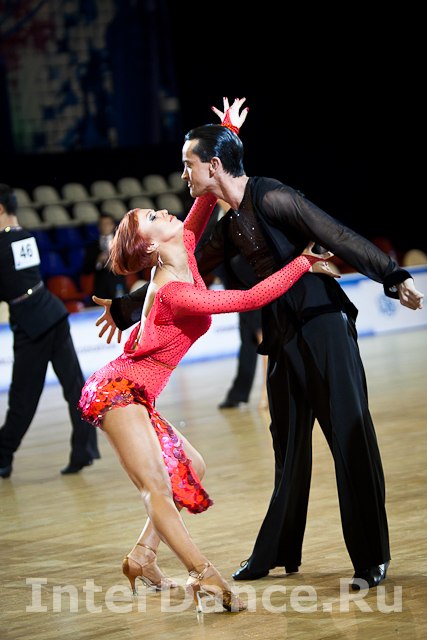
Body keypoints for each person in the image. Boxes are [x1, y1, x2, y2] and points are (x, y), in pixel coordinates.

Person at [103, 98, 424, 590]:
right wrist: (125, 310)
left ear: (213, 166)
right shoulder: (230, 223)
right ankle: (276, 551)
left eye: (188, 165)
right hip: (282, 333)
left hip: (323, 323)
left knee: (349, 436)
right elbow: (183, 270)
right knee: (287, 444)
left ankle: (371, 556)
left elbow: (333, 231)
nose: (183, 175)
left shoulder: (272, 195)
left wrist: (392, 275)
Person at [78, 103, 335, 613]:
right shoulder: (174, 290)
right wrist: (302, 263)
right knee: (157, 488)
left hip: (134, 391)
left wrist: (226, 134)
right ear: (150, 247)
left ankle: (142, 557)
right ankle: (205, 575)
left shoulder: (184, 247)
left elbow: (205, 194)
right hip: (118, 391)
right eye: (153, 218)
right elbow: (250, 297)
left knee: (190, 465)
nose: (165, 212)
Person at [0, 184, 100, 478]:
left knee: (23, 396)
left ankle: (2, 456)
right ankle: (84, 451)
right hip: (52, 312)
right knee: (75, 387)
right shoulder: (25, 236)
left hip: (32, 324)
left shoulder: (2, 244)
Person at [82, 213, 128, 299]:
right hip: (100, 288)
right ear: (98, 226)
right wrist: (98, 261)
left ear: (113, 225)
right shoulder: (92, 246)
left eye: (107, 224)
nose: (105, 226)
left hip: (118, 285)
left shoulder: (121, 243)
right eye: (102, 224)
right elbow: (86, 269)